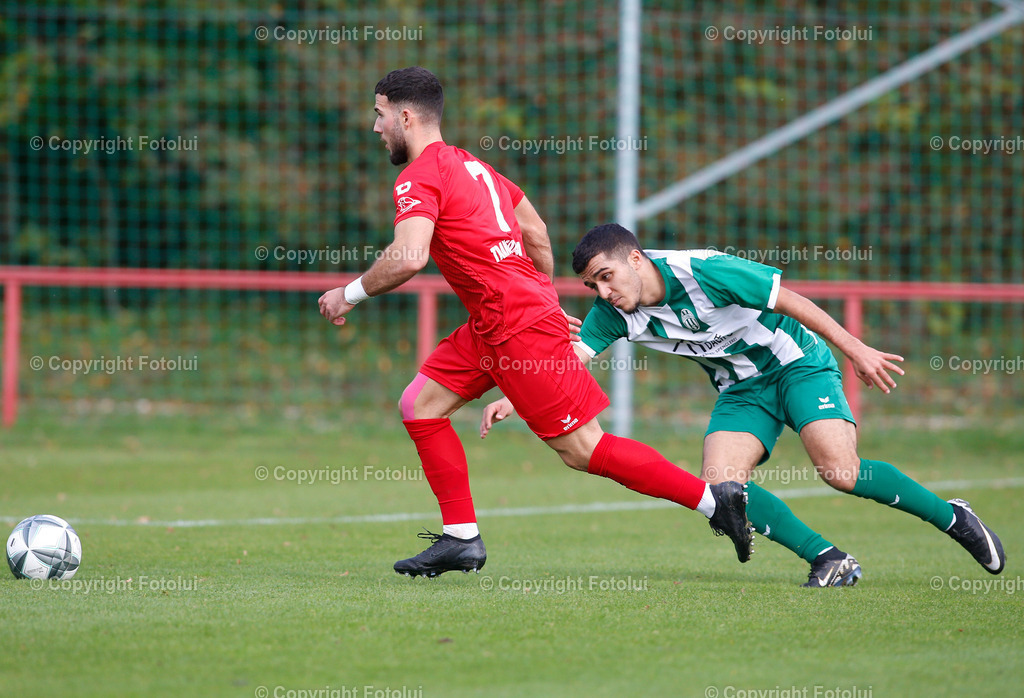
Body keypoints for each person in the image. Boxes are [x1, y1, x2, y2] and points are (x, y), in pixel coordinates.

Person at [317, 67, 753, 578]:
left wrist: (348, 294)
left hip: (516, 327)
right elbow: (537, 232)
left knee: (583, 450)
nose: (376, 127)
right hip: (494, 323)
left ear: (405, 115)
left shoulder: (417, 177)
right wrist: (542, 296)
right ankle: (461, 538)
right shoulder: (474, 167)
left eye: (379, 114)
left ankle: (713, 502)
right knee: (420, 404)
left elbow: (410, 255)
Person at [481, 223, 1006, 587]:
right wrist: (515, 394)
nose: (603, 291)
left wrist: (857, 350)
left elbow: (792, 301)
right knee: (724, 489)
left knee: (839, 470)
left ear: (635, 259)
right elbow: (569, 360)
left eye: (607, 276)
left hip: (795, 362)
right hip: (741, 390)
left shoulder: (706, 270)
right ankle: (829, 558)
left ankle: (953, 517)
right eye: (592, 284)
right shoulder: (614, 313)